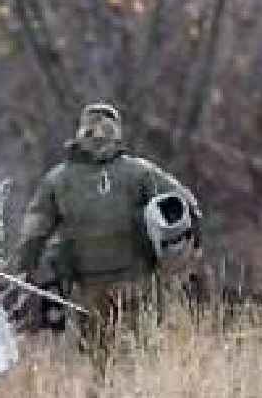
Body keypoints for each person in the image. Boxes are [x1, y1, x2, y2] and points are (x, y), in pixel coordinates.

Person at [15, 103, 201, 375]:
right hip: (138, 288)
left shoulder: (58, 180)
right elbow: (188, 207)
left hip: (87, 293)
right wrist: (184, 256)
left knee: (97, 366)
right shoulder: (140, 173)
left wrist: (24, 271)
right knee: (138, 363)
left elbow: (33, 235)